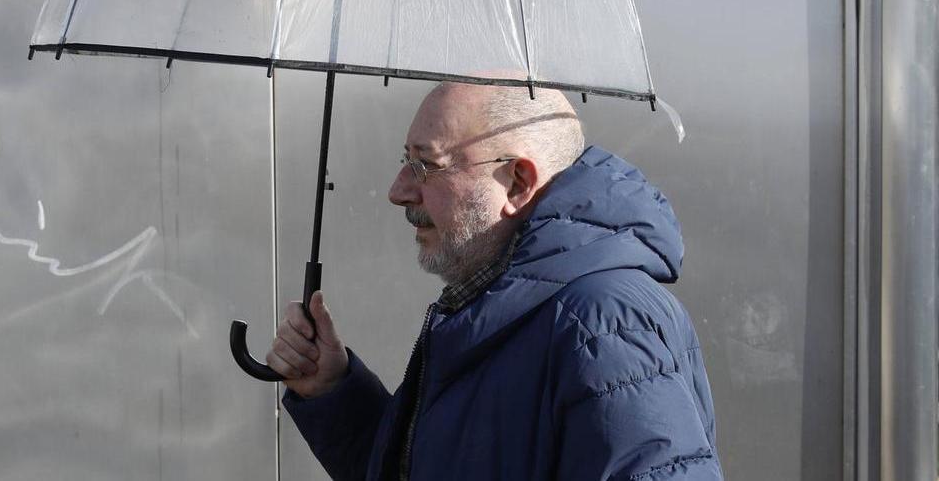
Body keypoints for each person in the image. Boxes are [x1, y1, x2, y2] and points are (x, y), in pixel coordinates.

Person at [266, 82, 723, 480]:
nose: (399, 190)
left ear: (518, 182)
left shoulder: (602, 324)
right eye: (406, 160)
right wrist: (334, 391)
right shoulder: (499, 304)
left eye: (427, 165)